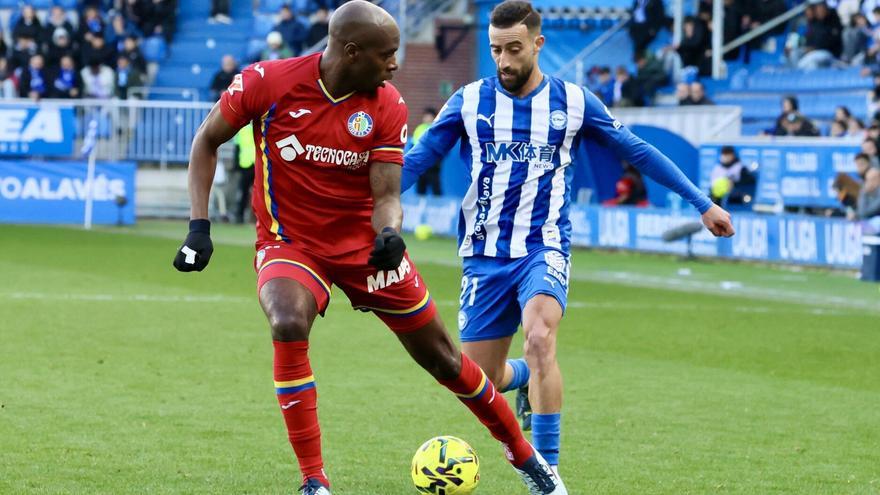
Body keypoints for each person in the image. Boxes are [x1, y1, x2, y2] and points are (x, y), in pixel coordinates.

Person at [171, 2, 561, 494]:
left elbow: (387, 195)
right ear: (352, 52)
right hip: (291, 242)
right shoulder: (266, 82)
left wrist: (390, 234)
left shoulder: (388, 105)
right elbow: (207, 140)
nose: (395, 64)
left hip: (363, 248)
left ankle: (527, 459)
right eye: (387, 54)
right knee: (287, 321)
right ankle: (315, 482)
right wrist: (198, 226)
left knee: (444, 359)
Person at [402, 0, 734, 485]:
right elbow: (418, 158)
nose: (504, 60)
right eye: (495, 50)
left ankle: (547, 470)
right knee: (478, 379)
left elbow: (638, 151)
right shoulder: (470, 100)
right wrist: (368, 210)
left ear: (538, 44)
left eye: (514, 49)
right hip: (484, 255)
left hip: (544, 246)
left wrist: (702, 203)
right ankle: (521, 377)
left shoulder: (574, 102)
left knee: (540, 337)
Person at [410, 108, 442, 196]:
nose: (427, 118)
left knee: (436, 191)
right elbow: (413, 145)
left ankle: (438, 205)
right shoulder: (419, 129)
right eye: (426, 116)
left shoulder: (437, 129)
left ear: (434, 118)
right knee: (420, 190)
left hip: (433, 167)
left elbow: (442, 148)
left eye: (429, 116)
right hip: (421, 166)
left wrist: (437, 161)